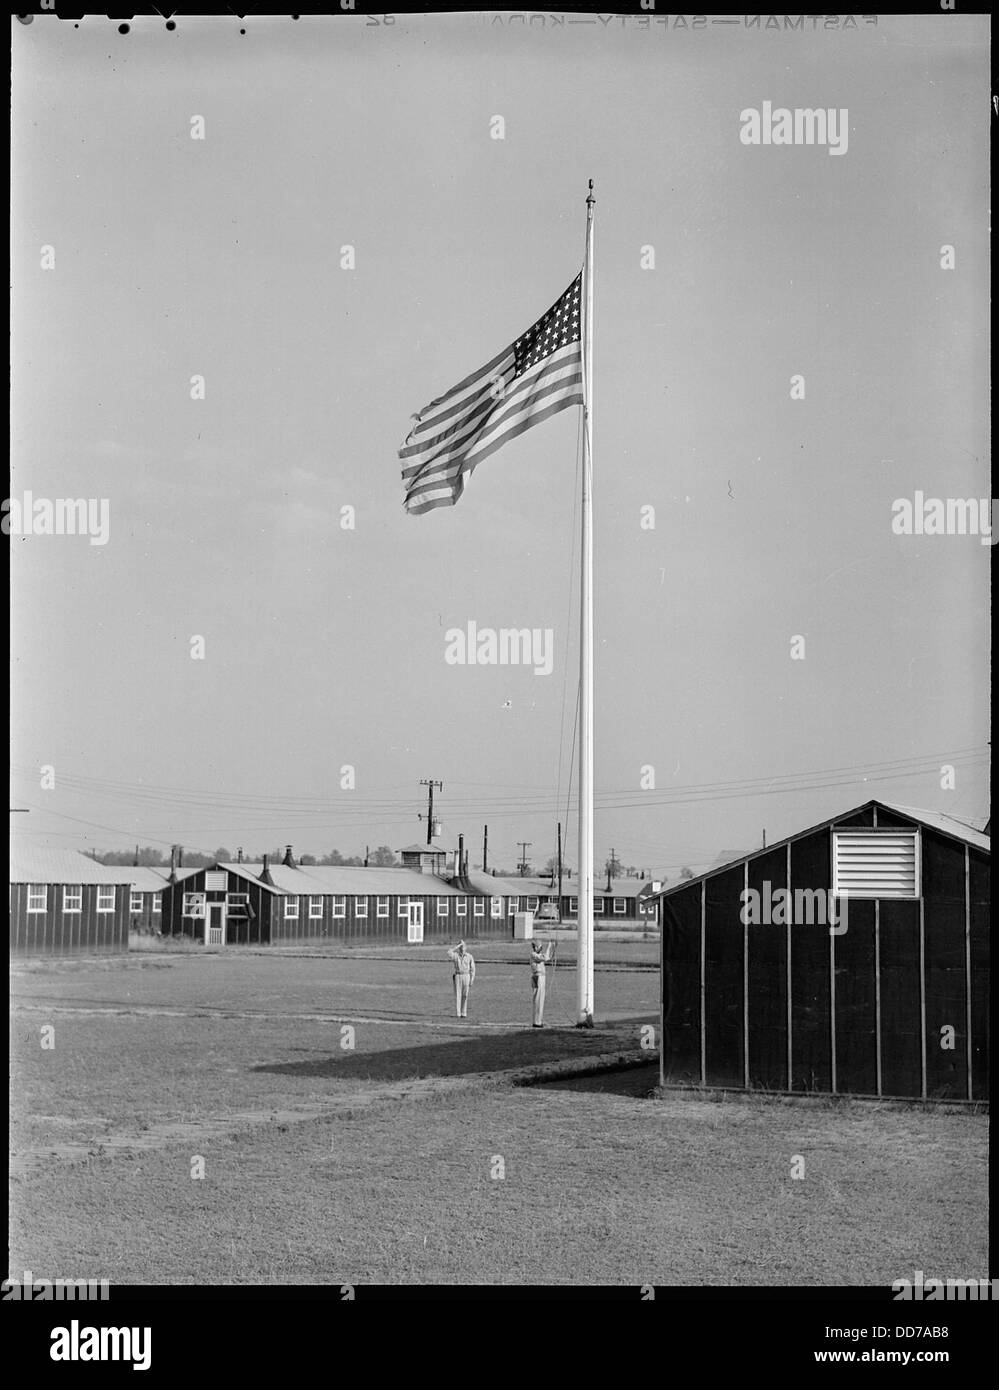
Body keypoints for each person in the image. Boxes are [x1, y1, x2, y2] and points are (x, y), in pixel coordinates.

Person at [446, 939, 475, 1018]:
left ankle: (464, 1012)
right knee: (458, 995)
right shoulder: (456, 955)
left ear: (466, 948)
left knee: (465, 995)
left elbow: (473, 969)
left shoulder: (469, 956)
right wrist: (458, 945)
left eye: (464, 946)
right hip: (458, 976)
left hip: (466, 976)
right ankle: (458, 1013)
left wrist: (472, 979)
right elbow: (448, 952)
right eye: (461, 947)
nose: (462, 948)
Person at [530, 939, 555, 1026]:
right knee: (538, 999)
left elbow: (548, 957)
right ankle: (537, 1022)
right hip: (538, 977)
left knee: (541, 1000)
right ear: (536, 947)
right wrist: (549, 946)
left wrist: (552, 947)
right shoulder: (534, 955)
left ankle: (538, 1020)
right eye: (540, 947)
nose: (541, 948)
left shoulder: (538, 955)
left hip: (541, 977)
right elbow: (545, 958)